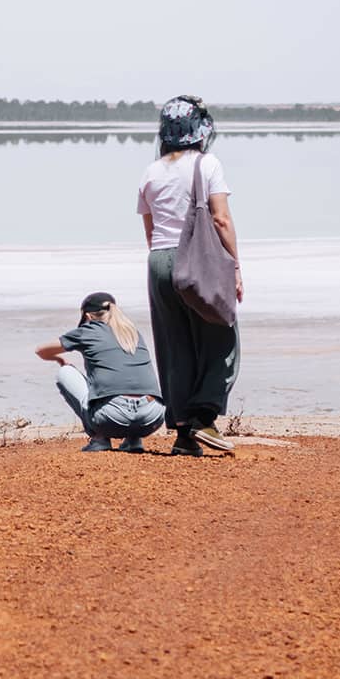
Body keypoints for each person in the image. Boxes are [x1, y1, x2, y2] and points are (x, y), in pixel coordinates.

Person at [137, 95, 242, 457]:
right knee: (222, 336)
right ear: (200, 132)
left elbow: (150, 231)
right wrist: (235, 266)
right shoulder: (207, 164)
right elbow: (221, 219)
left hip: (159, 261)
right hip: (197, 259)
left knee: (174, 346)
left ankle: (183, 434)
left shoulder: (150, 172)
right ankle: (204, 416)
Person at [35, 293, 166, 453]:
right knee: (127, 379)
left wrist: (59, 360)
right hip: (153, 417)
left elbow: (41, 351)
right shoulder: (133, 333)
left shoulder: (88, 331)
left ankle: (99, 439)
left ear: (88, 316)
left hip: (111, 418)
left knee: (65, 373)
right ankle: (133, 440)